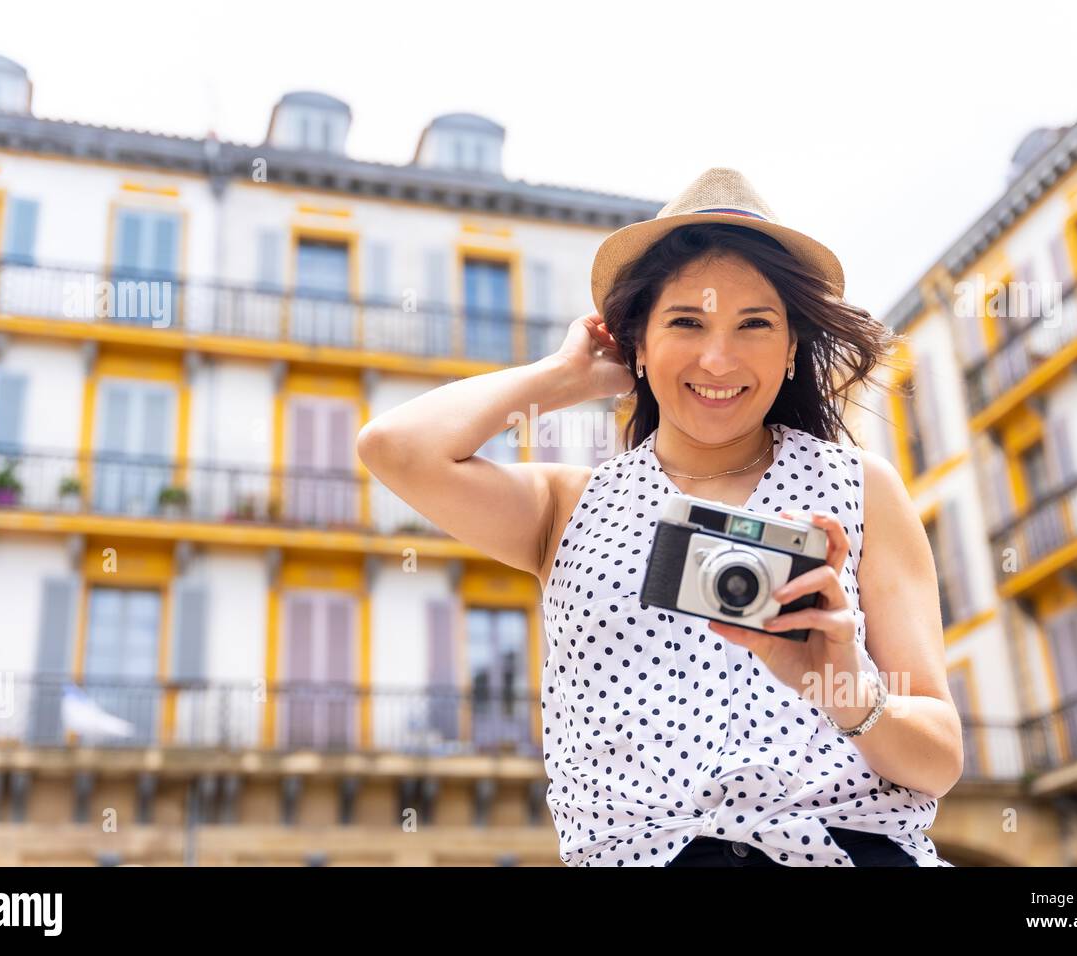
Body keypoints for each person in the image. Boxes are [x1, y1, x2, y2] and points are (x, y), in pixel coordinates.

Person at [358, 167, 960, 867]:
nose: (718, 357)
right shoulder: (567, 507)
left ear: (792, 346)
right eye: (686, 322)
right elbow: (395, 449)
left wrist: (847, 686)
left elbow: (939, 760)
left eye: (755, 324)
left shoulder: (859, 488)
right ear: (635, 344)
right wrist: (565, 378)